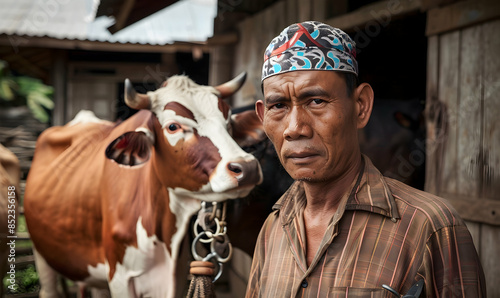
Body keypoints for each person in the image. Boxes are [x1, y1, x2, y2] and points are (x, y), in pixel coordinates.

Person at [245, 21, 486, 297]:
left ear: (361, 106)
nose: (295, 128)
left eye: (316, 101)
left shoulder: (430, 227)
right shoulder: (273, 229)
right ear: (263, 117)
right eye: (279, 106)